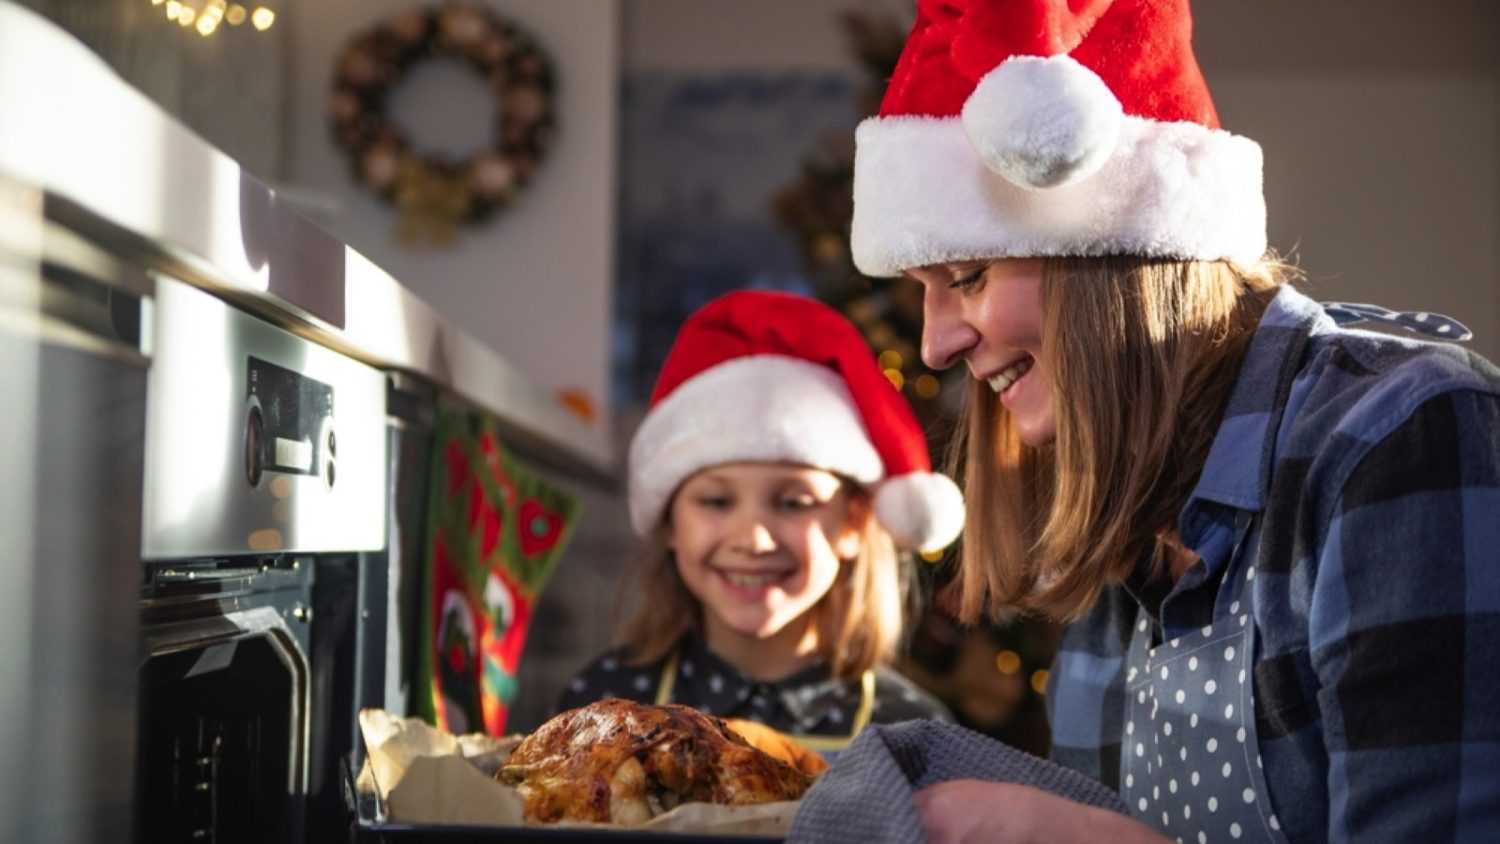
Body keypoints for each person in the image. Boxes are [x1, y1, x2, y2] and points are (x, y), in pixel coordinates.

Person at [847, 0, 1500, 842]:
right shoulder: (1113, 510)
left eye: (967, 275)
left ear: (1111, 262)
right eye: (923, 293)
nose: (936, 344)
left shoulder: (1398, 441)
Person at [558, 290, 959, 756]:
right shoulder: (601, 705)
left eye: (793, 503)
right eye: (715, 501)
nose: (752, 538)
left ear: (853, 523)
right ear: (669, 523)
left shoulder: (912, 731)